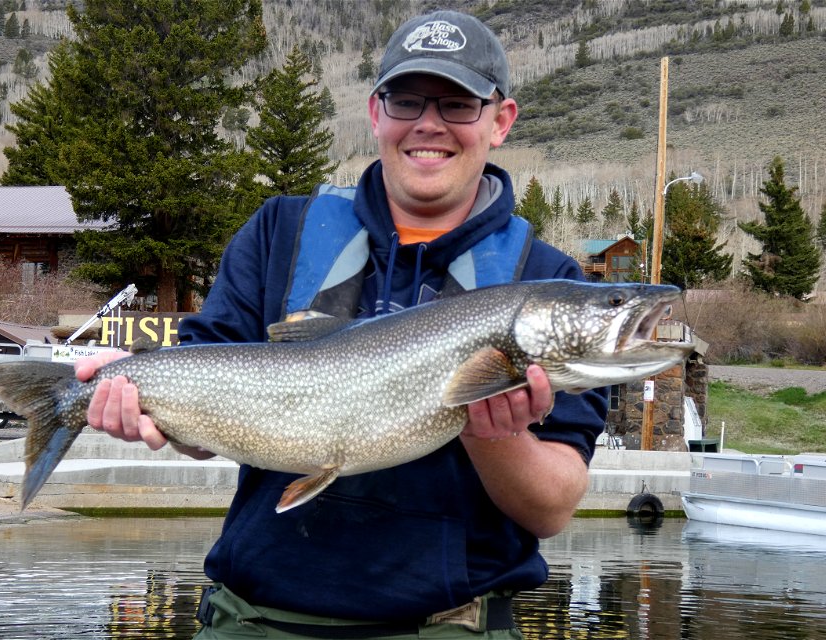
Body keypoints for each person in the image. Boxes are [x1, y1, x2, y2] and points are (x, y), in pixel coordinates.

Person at [76, 10, 607, 639]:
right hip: (253, 619)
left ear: (501, 121)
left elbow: (551, 508)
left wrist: (491, 429)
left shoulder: (547, 284)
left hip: (451, 626)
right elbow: (203, 421)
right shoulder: (280, 232)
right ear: (376, 112)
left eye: (458, 105)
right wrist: (144, 402)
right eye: (407, 100)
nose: (429, 124)